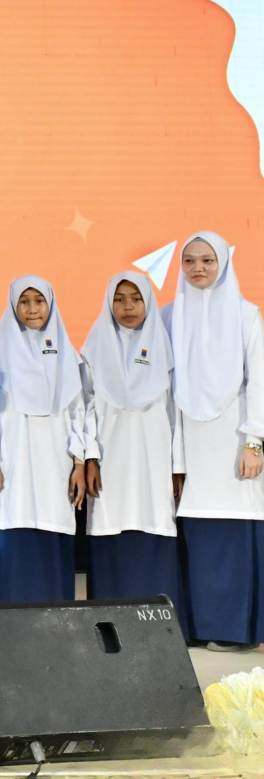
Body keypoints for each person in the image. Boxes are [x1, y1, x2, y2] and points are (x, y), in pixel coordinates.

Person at [167, 232, 264, 651]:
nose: (198, 268)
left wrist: (254, 442)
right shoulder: (171, 315)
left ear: (223, 263)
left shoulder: (246, 315)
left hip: (234, 443)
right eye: (189, 260)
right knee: (200, 536)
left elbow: (260, 381)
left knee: (236, 534)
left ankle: (237, 632)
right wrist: (175, 461)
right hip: (192, 445)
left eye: (207, 260)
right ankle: (204, 626)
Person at [0, 276, 87, 603]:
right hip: (15, 459)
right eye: (24, 302)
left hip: (56, 460)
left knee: (53, 523)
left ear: (50, 304)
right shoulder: (0, 352)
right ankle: (10, 611)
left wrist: (80, 462)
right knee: (15, 521)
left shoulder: (68, 355)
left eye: (39, 301)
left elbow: (78, 412)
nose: (32, 309)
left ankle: (55, 611)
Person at [81, 273, 181, 604]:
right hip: (109, 463)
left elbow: (174, 413)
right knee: (110, 526)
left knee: (154, 523)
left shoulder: (164, 348)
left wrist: (177, 466)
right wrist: (90, 457)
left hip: (154, 464)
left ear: (148, 303)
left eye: (136, 299)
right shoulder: (94, 348)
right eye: (119, 299)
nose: (128, 306)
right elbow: (86, 408)